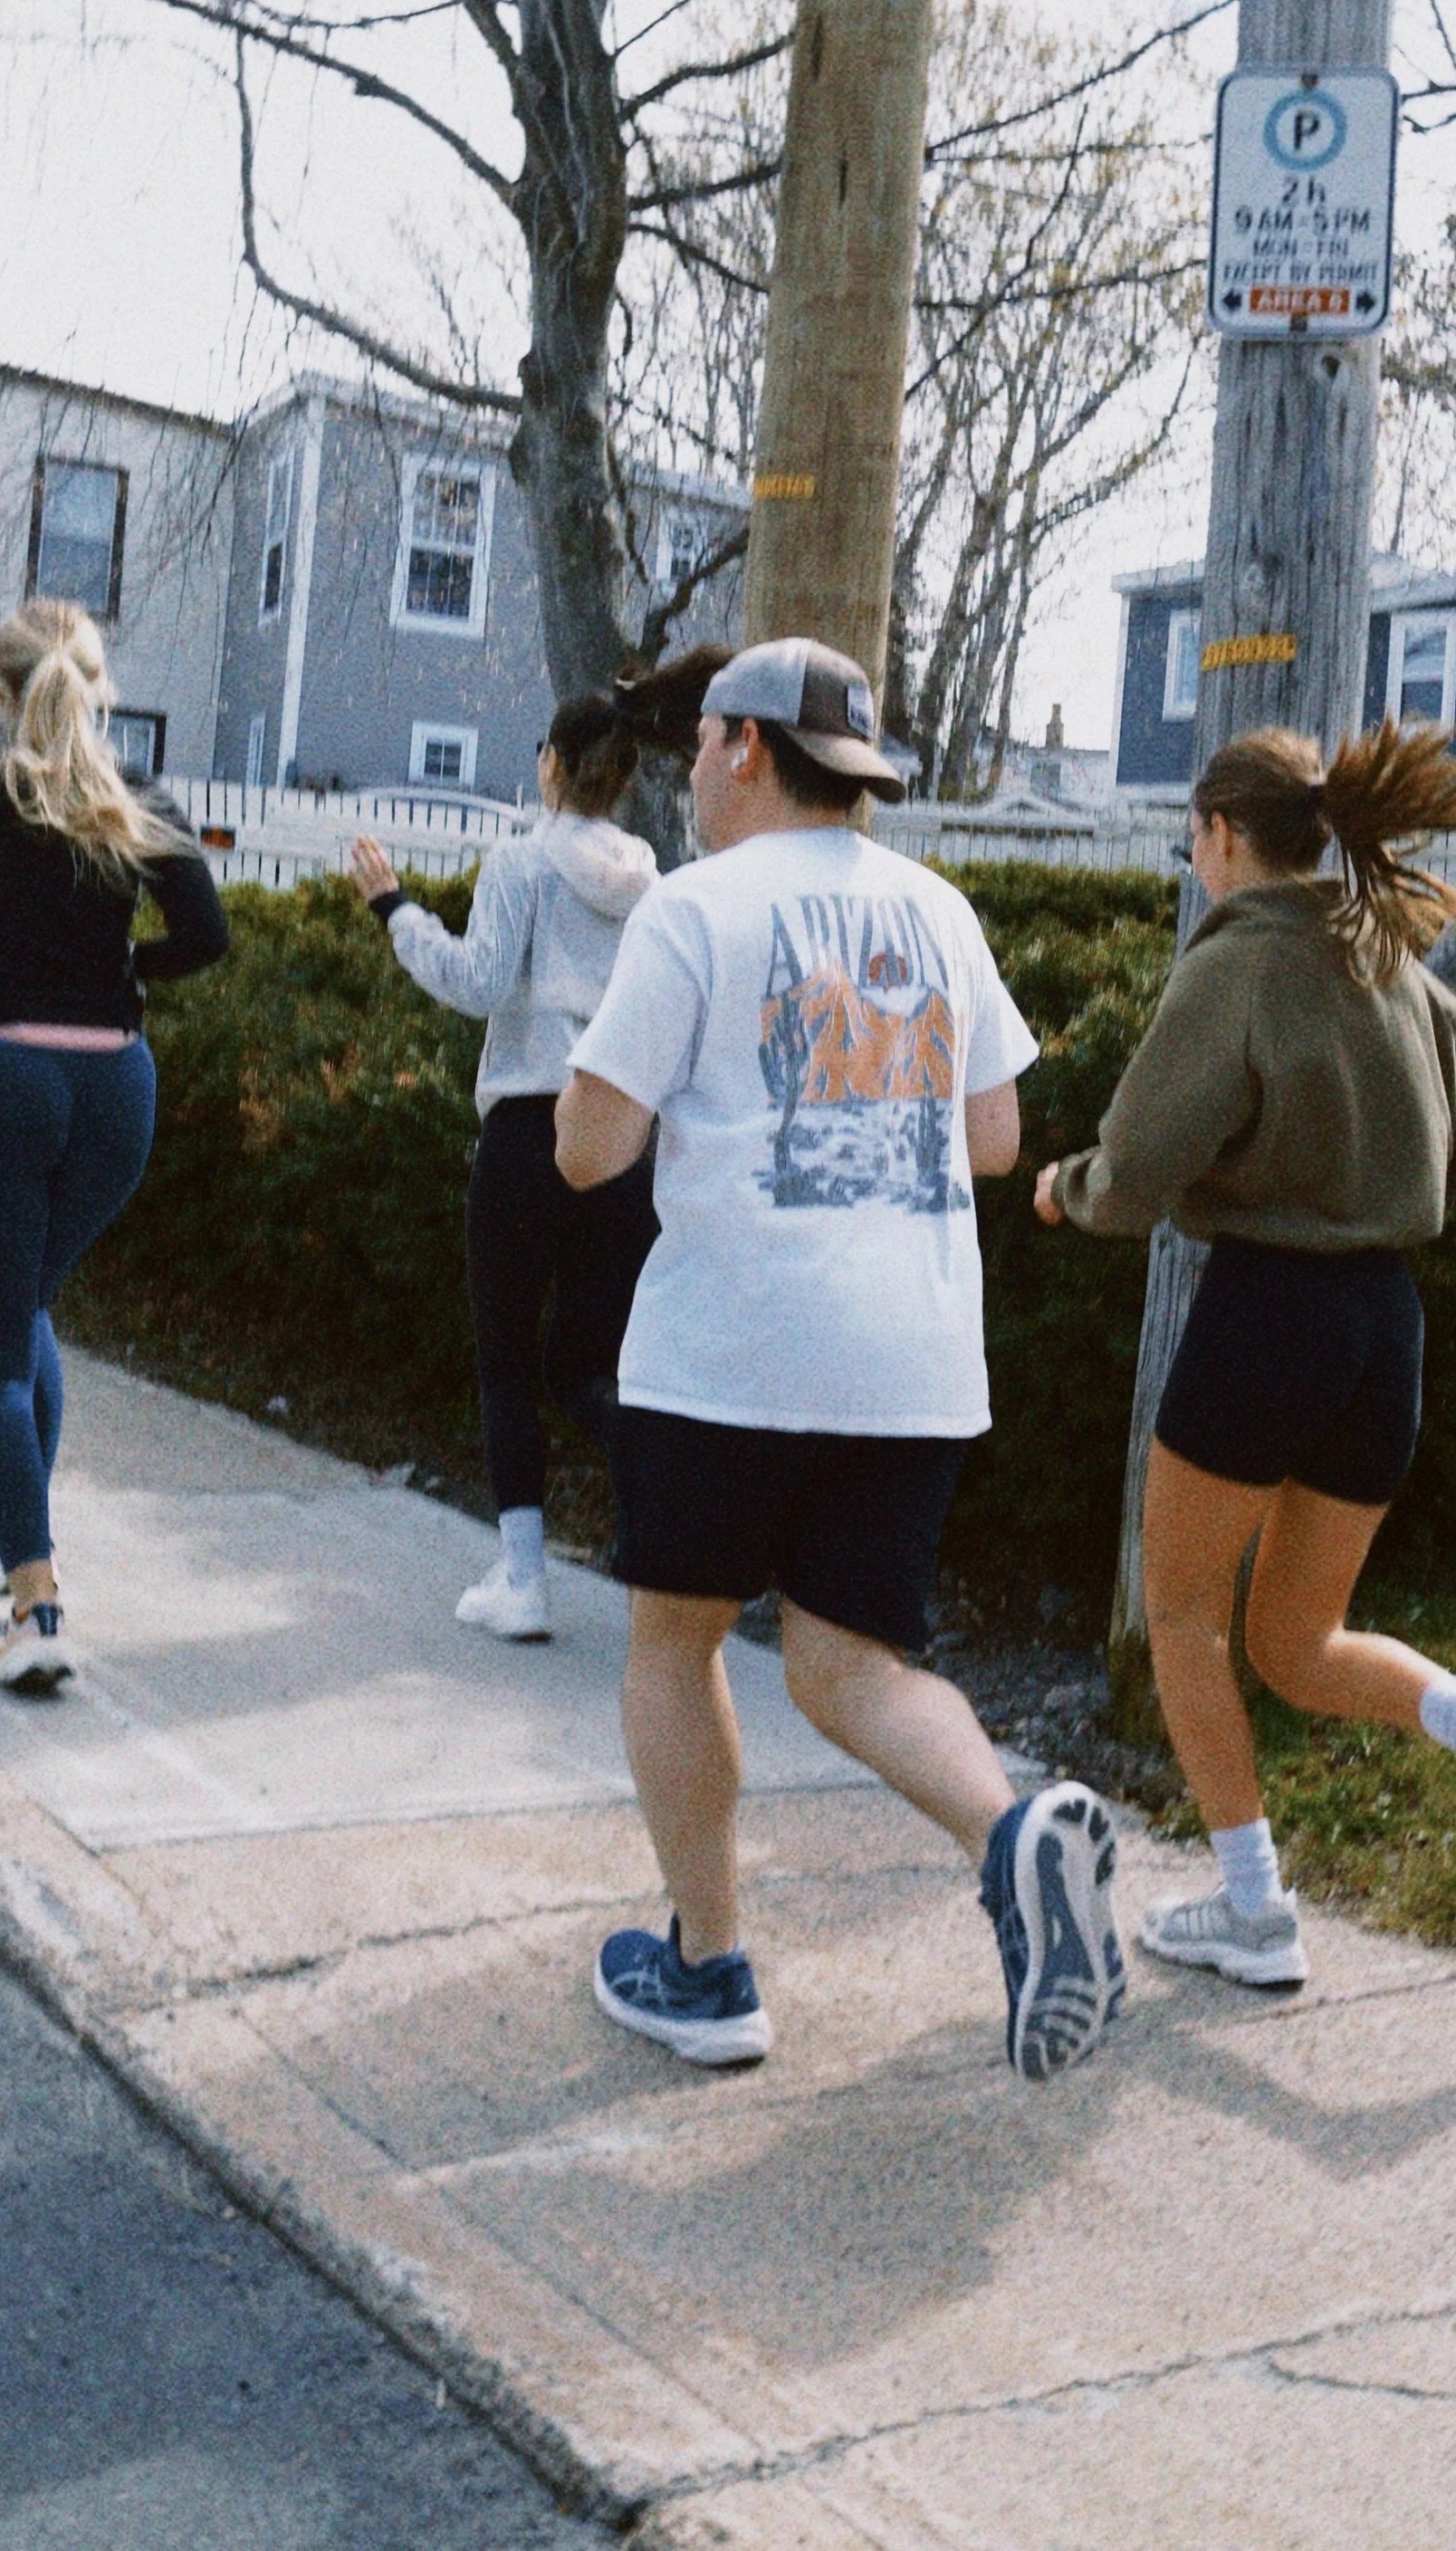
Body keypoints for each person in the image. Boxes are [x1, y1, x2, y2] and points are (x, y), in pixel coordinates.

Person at [553, 637, 1123, 2080]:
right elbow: (993, 1141)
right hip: (912, 1361)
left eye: (701, 744)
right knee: (853, 1663)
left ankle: (709, 1965)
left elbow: (584, 1151)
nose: (687, 765)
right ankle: (1011, 1840)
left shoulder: (691, 910)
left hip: (731, 1349)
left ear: (748, 749)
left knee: (677, 1645)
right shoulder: (941, 909)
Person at [1032, 721, 1456, 1990]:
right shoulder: (1398, 965)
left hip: (1268, 1318)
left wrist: (1067, 1188)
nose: (1192, 856)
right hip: (1385, 1326)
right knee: (1294, 1638)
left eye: (1194, 836)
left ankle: (1255, 1908)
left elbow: (1137, 1170)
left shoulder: (1236, 968)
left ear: (1224, 833)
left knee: (1179, 1612)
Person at [0, 599, 229, 1692]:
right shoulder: (137, 795)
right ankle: (30, 1549)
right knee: (21, 1313)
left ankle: (37, 1604)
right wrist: (114, 974)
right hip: (115, 1090)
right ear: (95, 685)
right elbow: (204, 939)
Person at [350, 653, 728, 1640]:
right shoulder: (655, 885)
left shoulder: (522, 862)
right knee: (591, 1372)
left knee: (508, 1363)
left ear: (554, 768)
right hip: (622, 1142)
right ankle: (668, 1533)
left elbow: (477, 981)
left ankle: (521, 1579)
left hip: (526, 1134)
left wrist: (394, 909)